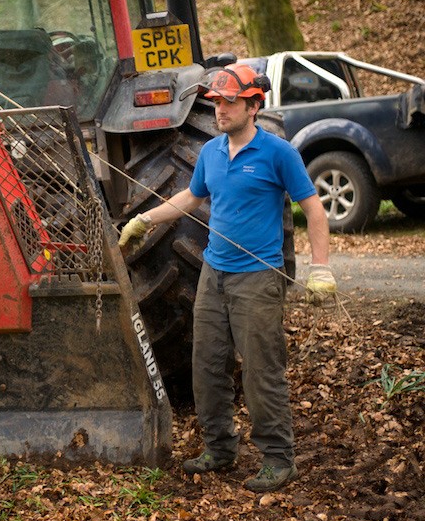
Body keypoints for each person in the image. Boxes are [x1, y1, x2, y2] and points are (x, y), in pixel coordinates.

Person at [118, 63, 337, 493]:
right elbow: (190, 196)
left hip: (257, 278)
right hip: (213, 275)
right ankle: (220, 448)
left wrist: (321, 267)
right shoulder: (212, 153)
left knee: (261, 371)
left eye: (229, 102)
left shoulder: (278, 153)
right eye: (215, 102)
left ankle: (278, 459)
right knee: (206, 367)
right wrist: (145, 219)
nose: (219, 110)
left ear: (254, 105)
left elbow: (313, 209)